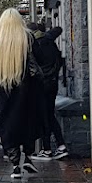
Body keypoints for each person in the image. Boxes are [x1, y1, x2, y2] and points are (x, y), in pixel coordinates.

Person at [0, 8, 45, 178]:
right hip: (27, 84)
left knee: (8, 119)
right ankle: (28, 156)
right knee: (29, 118)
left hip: (4, 83)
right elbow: (39, 58)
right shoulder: (27, 37)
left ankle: (15, 163)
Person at [27, 23, 69, 161]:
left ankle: (48, 149)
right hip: (53, 82)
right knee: (49, 114)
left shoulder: (36, 44)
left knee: (45, 116)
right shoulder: (49, 41)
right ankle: (58, 146)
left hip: (42, 83)